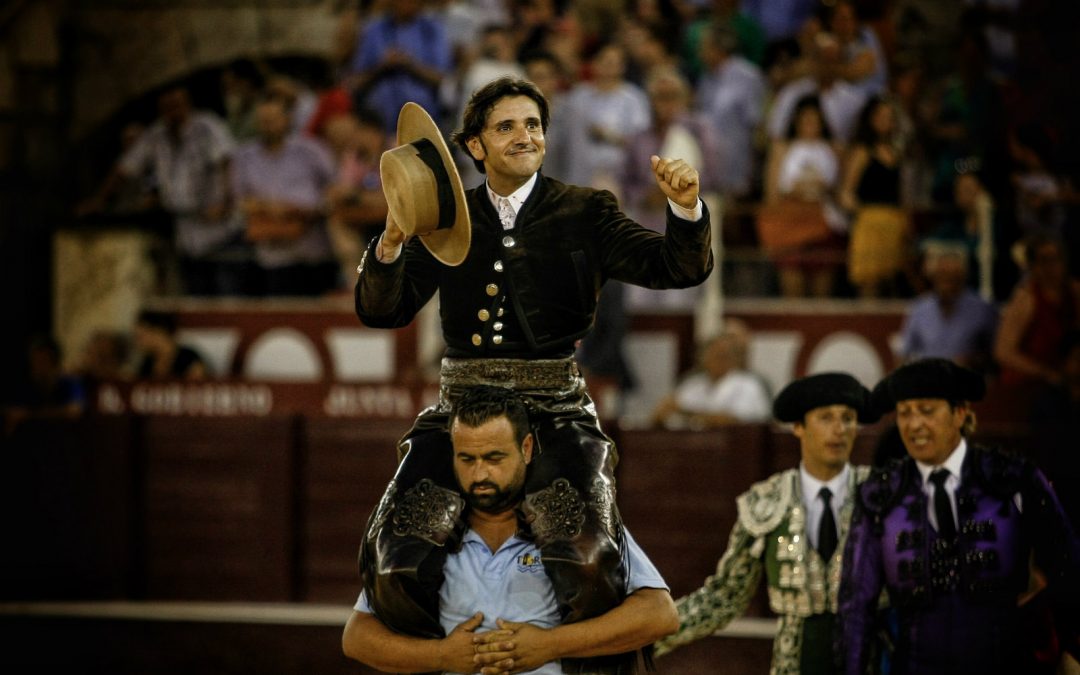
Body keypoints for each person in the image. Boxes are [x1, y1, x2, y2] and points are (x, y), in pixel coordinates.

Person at [354, 76, 712, 672]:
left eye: (533, 125)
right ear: (475, 146)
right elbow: (381, 310)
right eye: (507, 127)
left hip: (554, 408)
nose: (525, 136)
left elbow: (674, 267)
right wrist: (392, 238)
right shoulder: (447, 216)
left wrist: (685, 207)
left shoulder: (586, 209)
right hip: (462, 412)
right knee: (394, 556)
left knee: (587, 557)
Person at [342, 385, 678, 674]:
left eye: (494, 458)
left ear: (527, 449)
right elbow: (357, 637)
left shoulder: (574, 523)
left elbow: (659, 614)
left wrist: (550, 645)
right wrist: (442, 655)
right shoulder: (426, 533)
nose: (480, 475)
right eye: (467, 459)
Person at [837, 358, 1080, 675]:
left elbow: (1068, 570)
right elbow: (857, 607)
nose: (914, 425)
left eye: (927, 410)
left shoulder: (1014, 480)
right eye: (905, 412)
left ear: (960, 413)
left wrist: (1073, 651)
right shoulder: (879, 497)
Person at [655, 373, 877, 674]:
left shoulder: (883, 496)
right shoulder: (768, 501)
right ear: (799, 427)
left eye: (848, 418)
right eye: (826, 418)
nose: (839, 429)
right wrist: (646, 639)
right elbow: (724, 596)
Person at [994, 233, 1080, 388]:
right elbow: (1003, 351)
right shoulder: (1026, 298)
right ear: (1033, 265)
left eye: (1056, 259)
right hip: (1029, 383)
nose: (1052, 267)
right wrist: (1044, 372)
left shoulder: (1074, 291)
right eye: (1045, 261)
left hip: (1066, 379)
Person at [897, 242, 998, 371]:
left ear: (962, 277)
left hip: (966, 382)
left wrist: (972, 360)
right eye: (941, 277)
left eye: (952, 278)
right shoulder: (920, 309)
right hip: (927, 383)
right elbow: (904, 353)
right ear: (933, 278)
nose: (946, 285)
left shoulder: (982, 309)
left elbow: (995, 355)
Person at [649, 330, 770, 429]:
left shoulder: (748, 384)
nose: (718, 360)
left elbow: (734, 421)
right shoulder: (692, 384)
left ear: (733, 359)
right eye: (712, 355)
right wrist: (661, 414)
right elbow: (668, 412)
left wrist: (686, 412)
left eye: (723, 356)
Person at [133, 309, 207, 380]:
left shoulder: (189, 359)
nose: (138, 342)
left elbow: (196, 387)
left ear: (158, 332)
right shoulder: (147, 363)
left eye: (141, 337)